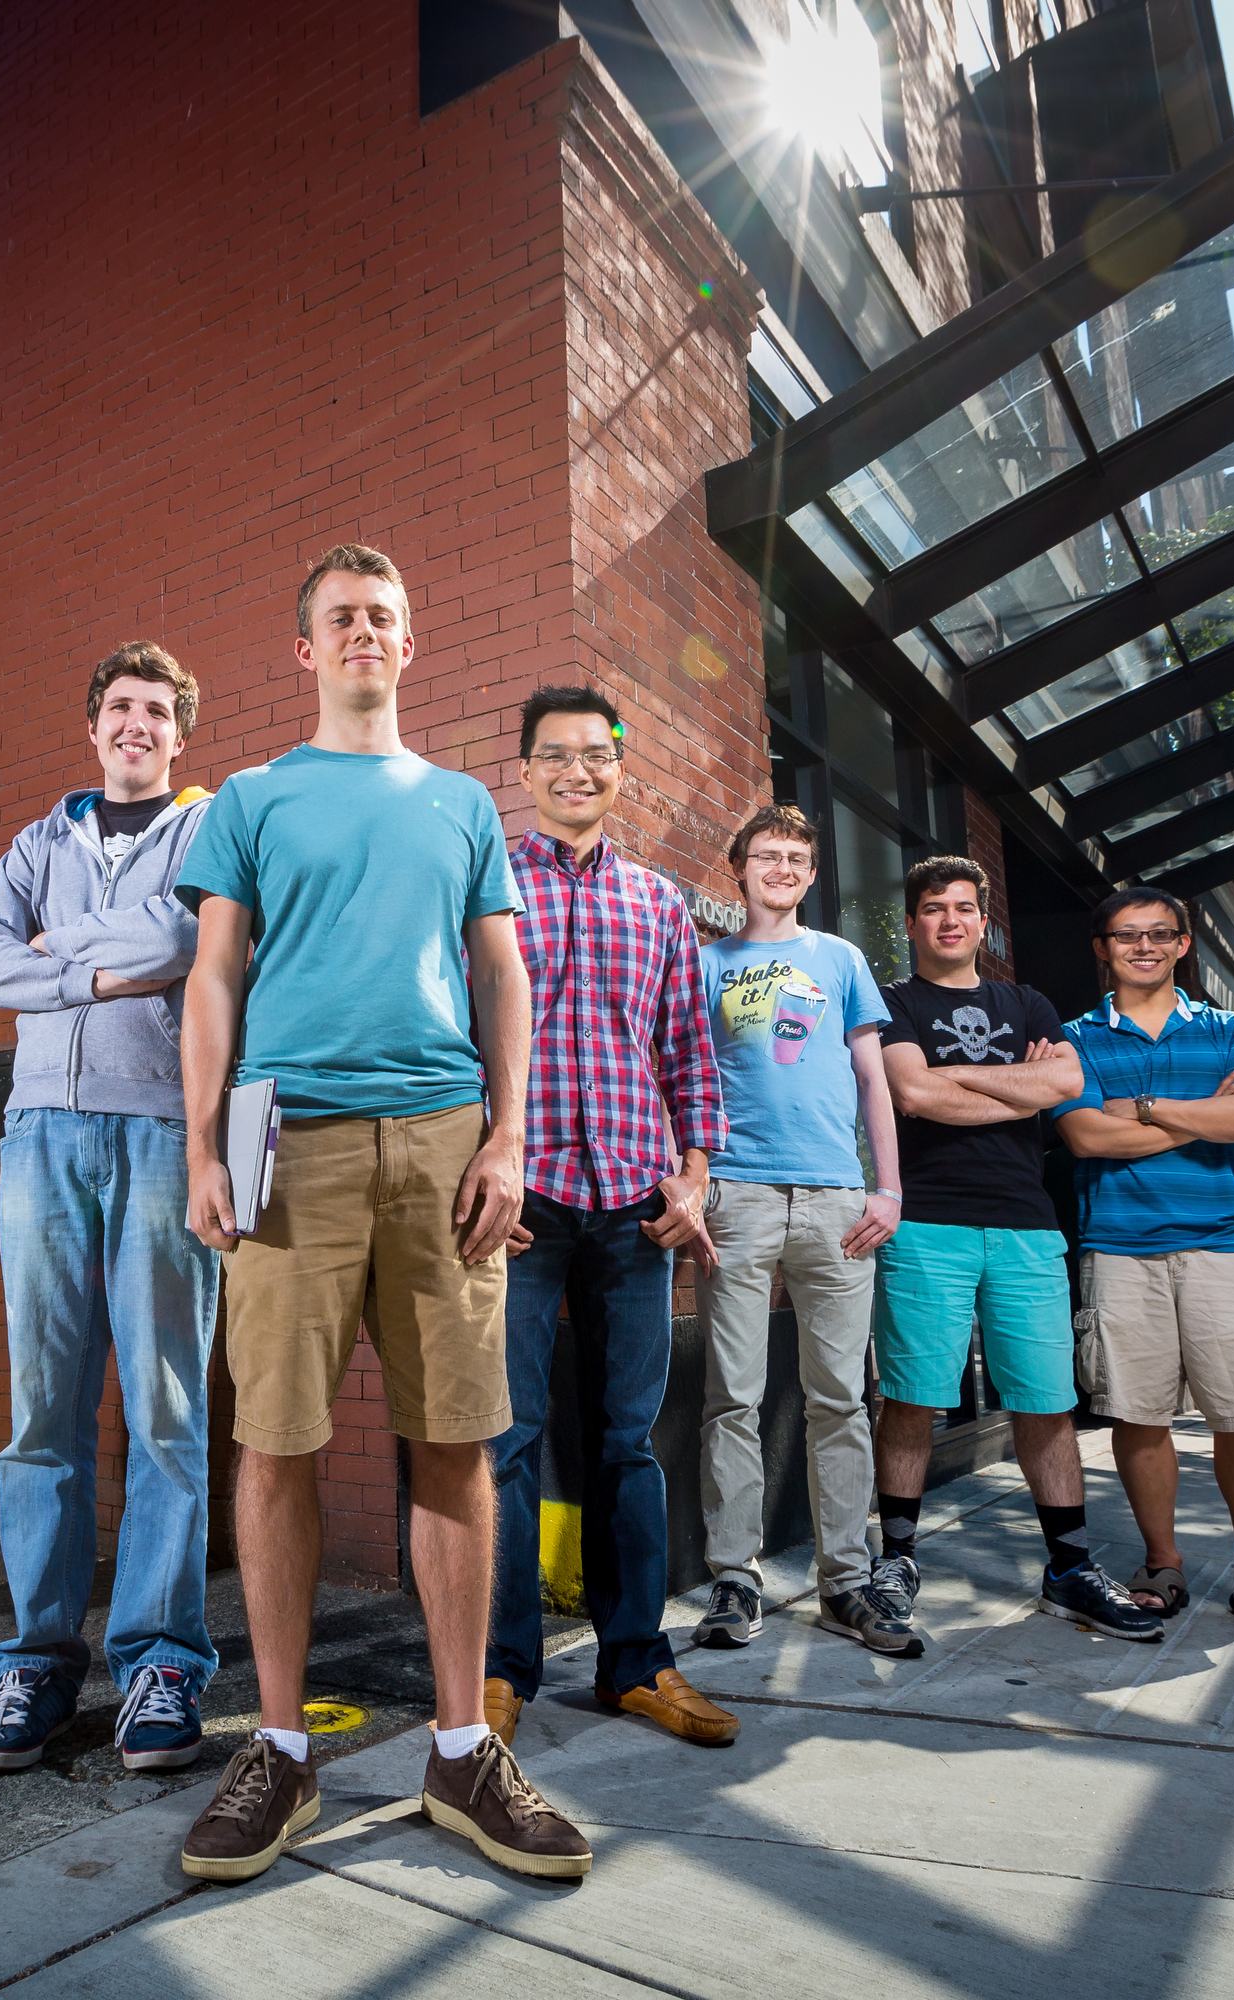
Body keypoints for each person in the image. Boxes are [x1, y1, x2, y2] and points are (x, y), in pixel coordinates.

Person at [174, 545, 587, 1884]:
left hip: (443, 1133)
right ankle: (281, 1751)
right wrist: (202, 1149)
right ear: (305, 650)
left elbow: (504, 977)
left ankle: (463, 1746)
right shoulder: (246, 796)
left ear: (410, 647)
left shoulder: (462, 802)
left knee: (457, 1442)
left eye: (384, 619)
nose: (365, 632)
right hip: (277, 1128)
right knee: (275, 1443)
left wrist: (512, 1136)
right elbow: (213, 982)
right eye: (342, 618)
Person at [0, 642, 219, 1774]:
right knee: (41, 1411)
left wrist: (54, 952)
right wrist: (99, 970)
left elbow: (184, 939)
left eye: (157, 710)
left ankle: (161, 1660)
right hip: (41, 1134)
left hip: (163, 1126)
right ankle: (36, 1663)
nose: (138, 723)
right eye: (120, 704)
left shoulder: (209, 828)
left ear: (179, 731)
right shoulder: (36, 840)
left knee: (165, 1407)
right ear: (93, 723)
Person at [485, 685, 734, 1750]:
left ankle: (638, 1661)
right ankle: (499, 1671)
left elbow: (690, 1054)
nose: (578, 771)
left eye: (596, 755)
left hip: (637, 1206)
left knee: (629, 1442)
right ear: (527, 769)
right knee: (503, 1439)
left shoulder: (660, 903)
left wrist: (694, 1177)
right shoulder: (484, 886)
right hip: (523, 1203)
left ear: (619, 768)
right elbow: (455, 1037)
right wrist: (478, 1168)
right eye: (556, 756)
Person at [871, 858, 1160, 1649]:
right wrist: (1009, 1079)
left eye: (964, 908)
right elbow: (913, 1095)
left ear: (984, 922)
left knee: (1043, 1400)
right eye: (934, 909)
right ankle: (896, 1558)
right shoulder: (891, 1002)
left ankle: (1068, 1568)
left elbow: (1064, 1084)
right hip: (926, 1221)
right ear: (911, 922)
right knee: (913, 1398)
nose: (950, 921)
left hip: (1028, 1226)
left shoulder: (1025, 1000)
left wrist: (959, 1079)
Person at [1056, 887, 1234, 1643]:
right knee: (1138, 1414)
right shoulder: (1075, 1039)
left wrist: (1137, 1107)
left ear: (1182, 944)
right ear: (1102, 947)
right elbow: (1086, 1139)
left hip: (1225, 1246)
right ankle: (1161, 1565)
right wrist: (1200, 1112)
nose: (1143, 946)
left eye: (1158, 934)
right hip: (1119, 1247)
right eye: (1125, 935)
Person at [690, 804, 905, 1654]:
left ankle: (846, 1583)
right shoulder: (704, 963)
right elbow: (689, 1083)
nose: (781, 868)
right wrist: (694, 1185)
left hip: (835, 1201)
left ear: (812, 874)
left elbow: (874, 1081)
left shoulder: (841, 959)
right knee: (730, 1400)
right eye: (766, 855)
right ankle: (734, 1580)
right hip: (736, 1197)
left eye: (796, 858)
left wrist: (886, 1188)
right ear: (737, 868)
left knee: (840, 1401)